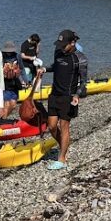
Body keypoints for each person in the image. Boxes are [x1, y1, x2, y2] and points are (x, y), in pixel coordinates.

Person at [46, 29, 81, 170]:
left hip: (68, 97)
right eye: (60, 44)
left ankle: (61, 159)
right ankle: (63, 147)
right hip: (54, 95)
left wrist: (77, 95)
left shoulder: (79, 58)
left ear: (72, 43)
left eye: (64, 44)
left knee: (64, 125)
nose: (61, 47)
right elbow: (56, 67)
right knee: (52, 126)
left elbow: (84, 80)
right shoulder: (58, 52)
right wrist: (45, 69)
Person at [0, 41, 22, 120]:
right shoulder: (1, 57)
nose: (9, 53)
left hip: (14, 83)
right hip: (4, 84)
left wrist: (26, 81)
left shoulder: (17, 56)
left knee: (13, 105)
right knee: (7, 104)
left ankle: (3, 119)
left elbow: (22, 69)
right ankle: (3, 122)